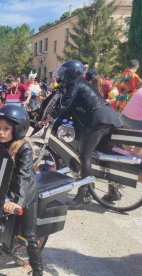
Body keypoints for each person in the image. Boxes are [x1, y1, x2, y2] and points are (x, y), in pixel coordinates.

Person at [44, 60, 122, 207]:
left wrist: (51, 116)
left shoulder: (75, 83)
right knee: (102, 154)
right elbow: (73, 106)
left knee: (84, 156)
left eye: (63, 72)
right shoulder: (82, 83)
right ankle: (114, 191)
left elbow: (65, 103)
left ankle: (83, 194)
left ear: (69, 73)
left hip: (98, 121)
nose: (60, 75)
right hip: (109, 118)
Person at [0, 105, 43, 276]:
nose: (1, 132)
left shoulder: (23, 148)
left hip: (24, 193)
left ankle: (38, 271)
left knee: (30, 235)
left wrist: (18, 201)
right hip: (3, 189)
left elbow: (23, 177)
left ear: (17, 129)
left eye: (6, 129)